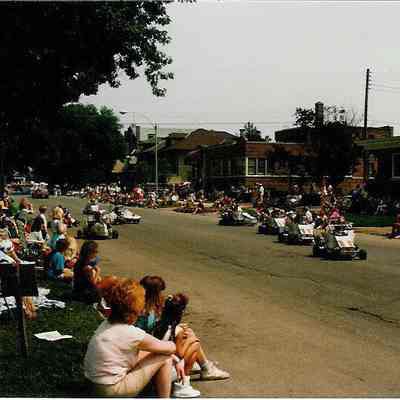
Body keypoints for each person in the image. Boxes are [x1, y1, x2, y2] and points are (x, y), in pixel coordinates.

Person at [84, 277, 180, 398]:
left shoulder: (106, 324)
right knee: (164, 357)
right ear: (137, 307)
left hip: (92, 384)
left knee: (153, 352)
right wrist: (173, 350)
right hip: (111, 390)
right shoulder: (132, 333)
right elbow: (170, 348)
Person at [137, 276, 230, 382]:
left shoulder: (149, 306)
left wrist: (175, 327)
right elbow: (147, 337)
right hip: (150, 350)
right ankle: (204, 368)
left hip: (155, 342)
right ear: (154, 293)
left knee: (186, 331)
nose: (161, 294)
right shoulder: (143, 313)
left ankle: (203, 364)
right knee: (191, 340)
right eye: (160, 292)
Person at [72, 240, 102, 305]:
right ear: (89, 253)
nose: (97, 253)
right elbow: (93, 283)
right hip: (85, 294)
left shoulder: (80, 261)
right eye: (95, 251)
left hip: (78, 290)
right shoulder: (87, 267)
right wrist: (98, 272)